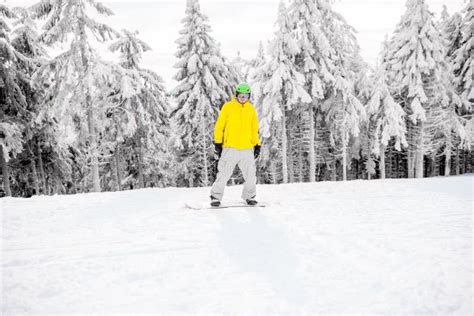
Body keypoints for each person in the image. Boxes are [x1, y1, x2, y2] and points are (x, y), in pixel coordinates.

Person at [210, 83, 261, 207]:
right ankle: (215, 197)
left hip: (247, 148)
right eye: (241, 95)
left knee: (251, 175)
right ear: (236, 95)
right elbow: (219, 126)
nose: (243, 98)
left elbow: (254, 129)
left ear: (249, 96)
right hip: (230, 147)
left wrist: (257, 144)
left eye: (246, 96)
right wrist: (218, 142)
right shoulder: (228, 107)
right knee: (223, 173)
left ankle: (249, 196)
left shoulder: (251, 109)